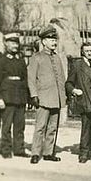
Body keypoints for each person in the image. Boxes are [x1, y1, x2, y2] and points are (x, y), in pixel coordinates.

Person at [27, 25, 66, 164]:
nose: (53, 42)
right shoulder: (36, 57)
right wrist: (34, 95)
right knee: (40, 127)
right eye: (50, 39)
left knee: (52, 127)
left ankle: (49, 152)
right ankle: (36, 153)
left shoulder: (57, 58)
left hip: (57, 98)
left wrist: (64, 97)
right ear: (43, 41)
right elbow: (31, 79)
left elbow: (61, 78)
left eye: (55, 39)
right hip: (43, 98)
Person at [0, 32, 30, 158]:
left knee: (20, 125)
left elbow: (25, 78)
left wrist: (26, 97)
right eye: (12, 42)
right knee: (6, 126)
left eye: (16, 42)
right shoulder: (2, 60)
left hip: (20, 97)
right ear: (6, 44)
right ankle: (6, 150)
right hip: (7, 97)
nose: (14, 45)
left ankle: (19, 149)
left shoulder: (21, 60)